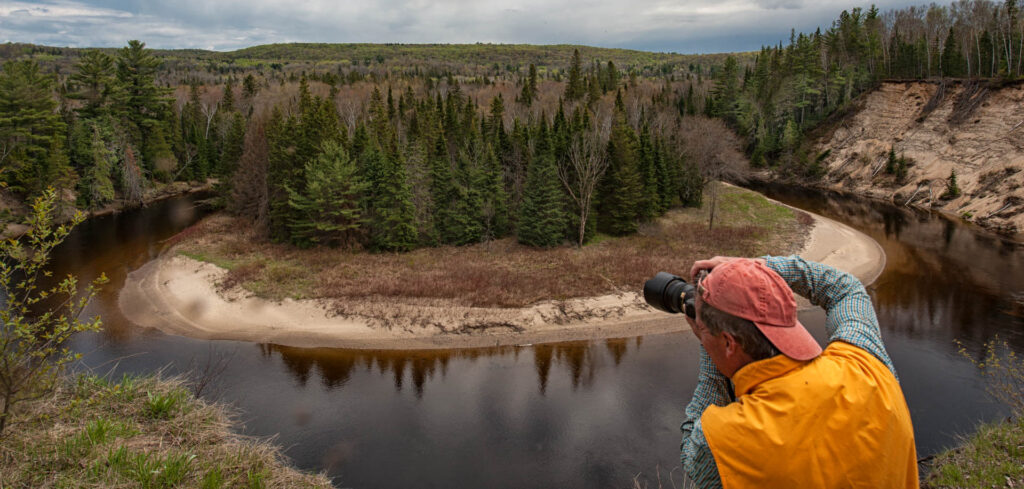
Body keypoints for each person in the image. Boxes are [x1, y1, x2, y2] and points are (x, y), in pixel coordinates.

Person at [679, 255, 918, 488]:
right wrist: (761, 268)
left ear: (730, 343)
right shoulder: (865, 364)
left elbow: (692, 453)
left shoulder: (723, 442)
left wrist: (711, 353)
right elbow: (846, 289)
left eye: (701, 325)